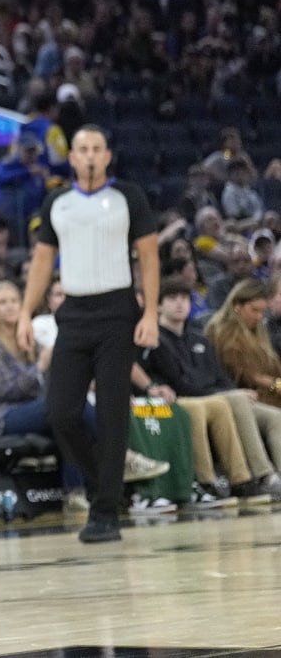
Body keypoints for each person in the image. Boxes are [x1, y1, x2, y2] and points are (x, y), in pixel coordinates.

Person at [18, 126, 161, 543]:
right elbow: (43, 262)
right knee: (61, 411)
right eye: (83, 149)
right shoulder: (57, 202)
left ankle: (105, 513)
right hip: (74, 313)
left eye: (97, 148)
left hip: (118, 311)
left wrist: (149, 311)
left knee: (114, 411)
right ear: (73, 157)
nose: (90, 155)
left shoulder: (128, 197)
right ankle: (105, 487)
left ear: (108, 155)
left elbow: (149, 258)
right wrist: (27, 311)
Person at [142, 276, 281, 499]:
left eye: (185, 298)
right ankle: (258, 476)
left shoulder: (199, 339)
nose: (180, 303)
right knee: (233, 400)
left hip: (227, 396)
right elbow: (182, 385)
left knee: (275, 416)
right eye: (172, 298)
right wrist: (233, 392)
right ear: (158, 305)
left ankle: (272, 478)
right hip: (183, 400)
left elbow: (222, 377)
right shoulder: (156, 340)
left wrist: (231, 391)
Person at [206, 278, 281, 407]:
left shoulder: (258, 331)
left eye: (262, 311)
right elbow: (252, 377)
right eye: (254, 310)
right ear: (237, 306)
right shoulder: (224, 334)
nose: (259, 317)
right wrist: (278, 385)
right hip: (252, 398)